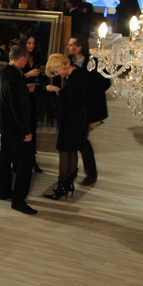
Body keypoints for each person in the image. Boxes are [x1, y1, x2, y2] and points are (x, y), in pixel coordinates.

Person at [0, 44, 37, 215]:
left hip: (4, 124)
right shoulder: (16, 77)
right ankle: (18, 200)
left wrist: (24, 90)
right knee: (26, 162)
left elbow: (7, 96)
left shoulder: (3, 72)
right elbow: (17, 107)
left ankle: (4, 191)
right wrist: (26, 131)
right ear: (23, 58)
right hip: (15, 127)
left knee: (5, 157)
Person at [66, 35, 111, 186]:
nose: (68, 47)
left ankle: (91, 174)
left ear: (79, 47)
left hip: (88, 108)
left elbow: (106, 83)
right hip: (74, 108)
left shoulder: (93, 62)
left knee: (82, 140)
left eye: (71, 45)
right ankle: (73, 170)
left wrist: (87, 95)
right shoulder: (69, 60)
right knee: (76, 139)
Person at [44, 53, 88, 200]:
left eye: (56, 71)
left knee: (63, 151)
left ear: (63, 65)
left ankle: (62, 187)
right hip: (76, 117)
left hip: (72, 119)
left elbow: (72, 100)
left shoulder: (74, 77)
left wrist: (57, 91)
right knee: (71, 150)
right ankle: (68, 184)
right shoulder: (74, 73)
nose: (56, 74)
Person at [18, 33, 44, 173]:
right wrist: (28, 75)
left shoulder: (36, 57)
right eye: (29, 43)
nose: (31, 46)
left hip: (34, 95)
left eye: (33, 43)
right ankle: (21, 159)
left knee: (33, 127)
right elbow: (14, 78)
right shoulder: (19, 57)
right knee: (24, 126)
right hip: (22, 95)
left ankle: (32, 159)